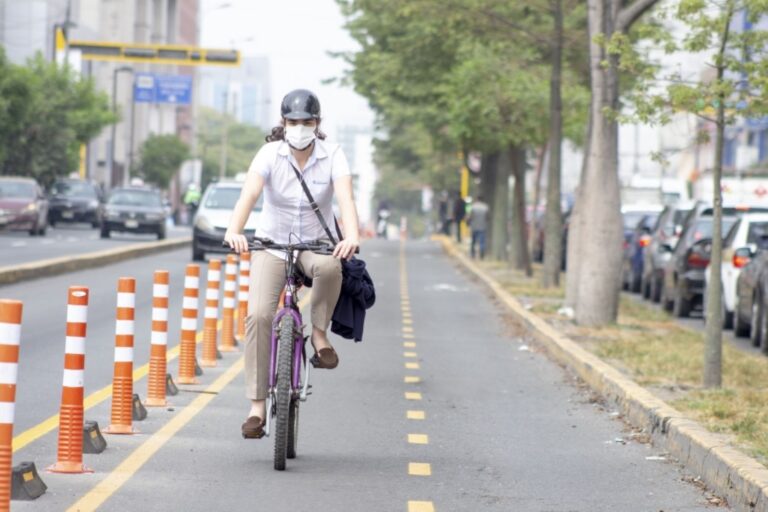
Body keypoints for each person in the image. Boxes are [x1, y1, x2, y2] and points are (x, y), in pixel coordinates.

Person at [224, 89, 361, 439]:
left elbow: (345, 197)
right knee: (258, 315)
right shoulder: (270, 153)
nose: (300, 128)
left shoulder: (333, 155)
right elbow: (249, 194)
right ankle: (256, 408)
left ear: (318, 124)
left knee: (331, 267)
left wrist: (351, 235)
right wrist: (234, 230)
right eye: (293, 122)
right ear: (283, 124)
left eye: (307, 122)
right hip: (272, 245)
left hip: (315, 245)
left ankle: (318, 335)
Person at [468, 194, 489, 259]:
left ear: (477, 199)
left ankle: (472, 254)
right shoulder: (486, 207)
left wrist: (468, 222)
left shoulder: (473, 207)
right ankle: (482, 253)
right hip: (482, 226)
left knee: (473, 241)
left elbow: (470, 216)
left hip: (474, 226)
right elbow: (487, 217)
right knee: (482, 241)